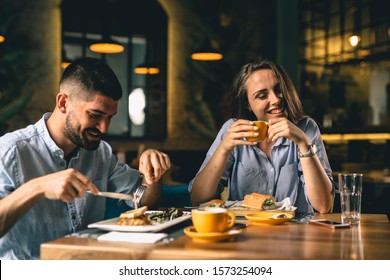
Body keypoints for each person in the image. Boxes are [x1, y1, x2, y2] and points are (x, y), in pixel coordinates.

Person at [0, 57, 171, 259]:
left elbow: (144, 203)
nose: (104, 128)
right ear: (63, 102)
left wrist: (152, 173)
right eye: (95, 115)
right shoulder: (10, 151)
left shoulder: (101, 153)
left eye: (110, 117)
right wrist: (37, 188)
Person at [189, 57, 335, 214]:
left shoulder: (306, 129)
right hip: (245, 232)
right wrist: (224, 148)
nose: (276, 99)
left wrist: (303, 143)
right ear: (247, 104)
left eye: (279, 89)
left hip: (295, 231)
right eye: (262, 95)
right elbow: (198, 199)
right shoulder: (233, 130)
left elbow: (323, 206)